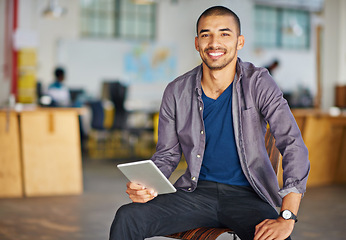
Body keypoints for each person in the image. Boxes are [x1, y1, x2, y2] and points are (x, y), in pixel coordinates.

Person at [110, 6, 309, 240]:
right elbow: (167, 155)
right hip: (195, 193)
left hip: (248, 197)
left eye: (225, 34)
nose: (214, 43)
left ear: (240, 41)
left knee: (277, 238)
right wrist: (146, 186)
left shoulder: (259, 83)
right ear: (197, 43)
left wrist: (287, 216)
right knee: (127, 217)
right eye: (206, 35)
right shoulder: (176, 91)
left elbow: (292, 143)